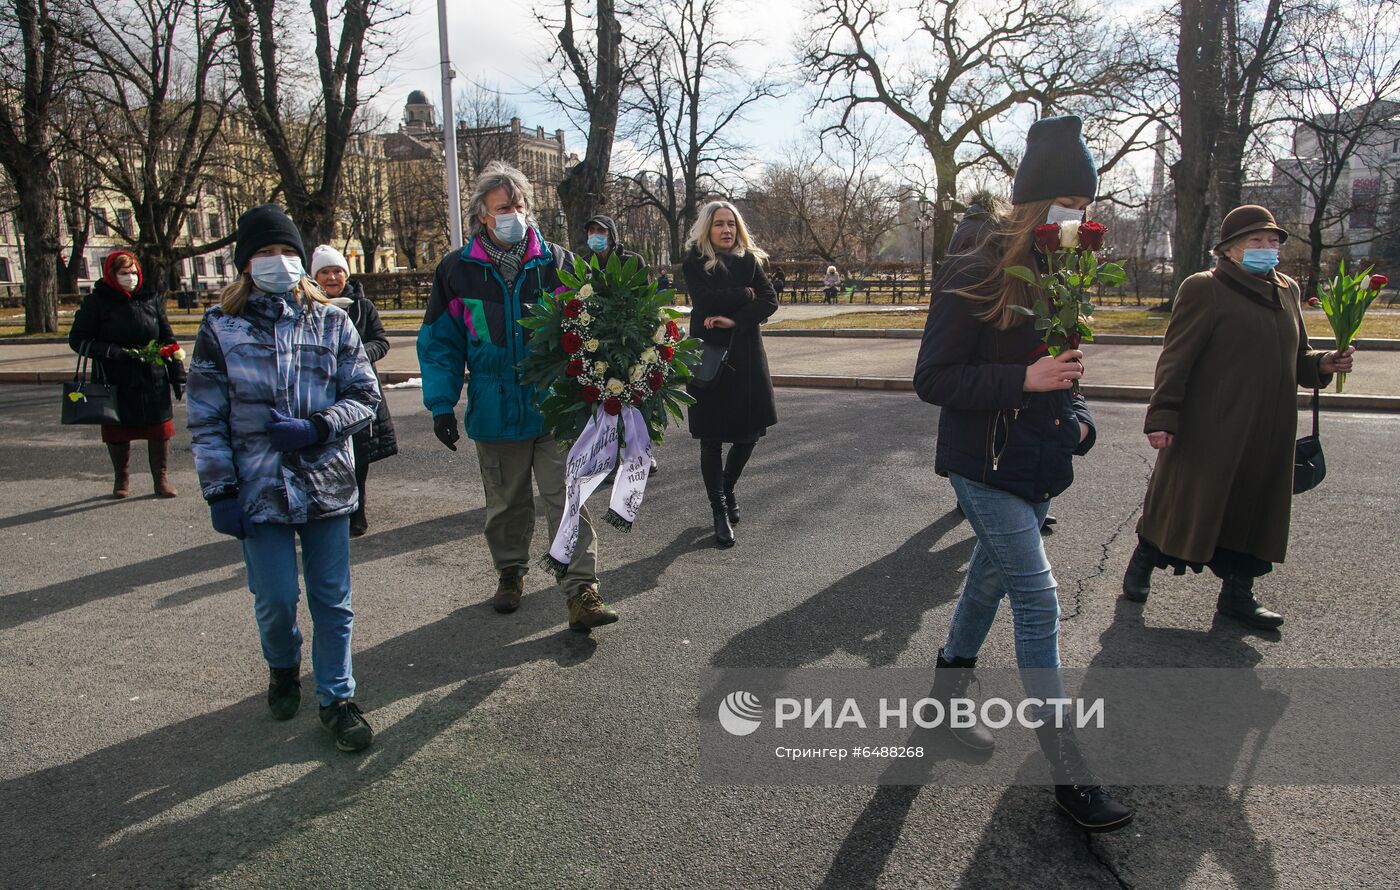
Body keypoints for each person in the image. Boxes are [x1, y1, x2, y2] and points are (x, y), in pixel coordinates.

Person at [913, 115, 1132, 831]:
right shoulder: (974, 266)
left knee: (987, 580)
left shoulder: (1068, 270)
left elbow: (1067, 373)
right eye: (1072, 201)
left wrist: (1081, 416)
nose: (1083, 215)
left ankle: (942, 706)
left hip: (1039, 462)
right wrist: (1022, 380)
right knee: (1037, 599)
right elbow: (935, 378)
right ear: (1038, 202)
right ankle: (1067, 772)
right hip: (982, 464)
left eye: (1089, 204)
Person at [186, 204, 381, 752]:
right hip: (258, 489)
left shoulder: (332, 320)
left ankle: (337, 699)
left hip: (325, 483)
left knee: (332, 598)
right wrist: (219, 490)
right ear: (246, 263)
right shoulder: (219, 328)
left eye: (286, 251)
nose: (278, 261)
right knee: (274, 598)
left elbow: (365, 396)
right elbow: (204, 416)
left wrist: (316, 427)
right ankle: (281, 666)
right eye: (265, 253)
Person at [1122, 205, 1355, 629]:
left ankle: (1237, 596)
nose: (1268, 249)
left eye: (1273, 241)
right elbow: (1176, 359)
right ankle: (1142, 564)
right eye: (1256, 241)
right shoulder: (1204, 288)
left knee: (1255, 511)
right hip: (1212, 428)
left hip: (1269, 430)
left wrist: (1322, 364)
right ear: (1229, 250)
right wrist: (1162, 417)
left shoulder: (1286, 290)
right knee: (1185, 504)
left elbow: (1296, 356)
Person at [418, 162, 619, 632]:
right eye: (504, 208)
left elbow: (594, 328)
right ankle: (510, 571)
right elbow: (440, 344)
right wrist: (442, 404)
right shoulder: (456, 271)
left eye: (520, 206)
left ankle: (581, 590)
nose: (515, 214)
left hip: (556, 407)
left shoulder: (559, 263)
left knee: (569, 497)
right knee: (506, 503)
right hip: (493, 407)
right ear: (483, 216)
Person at [682, 200, 778, 549]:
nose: (726, 230)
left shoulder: (750, 260)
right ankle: (719, 509)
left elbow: (770, 301)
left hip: (746, 356)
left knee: (748, 435)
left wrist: (735, 318)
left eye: (731, 224)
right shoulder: (694, 260)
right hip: (708, 355)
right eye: (719, 224)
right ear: (707, 228)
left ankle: (726, 486)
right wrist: (745, 293)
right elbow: (705, 300)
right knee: (711, 437)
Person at [69, 251, 183, 499]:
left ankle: (161, 479)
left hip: (152, 376)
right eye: (123, 273)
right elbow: (77, 340)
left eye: (133, 272)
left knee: (159, 430)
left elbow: (168, 339)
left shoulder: (150, 299)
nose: (129, 277)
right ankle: (121, 478)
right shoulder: (97, 302)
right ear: (111, 274)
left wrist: (178, 376)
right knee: (118, 432)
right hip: (115, 377)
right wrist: (110, 351)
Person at [311, 245, 398, 538]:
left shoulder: (362, 306)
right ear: (315, 277)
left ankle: (356, 510)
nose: (332, 277)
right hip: (322, 391)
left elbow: (381, 341)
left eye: (337, 271)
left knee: (358, 453)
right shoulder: (309, 307)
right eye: (325, 272)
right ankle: (327, 508)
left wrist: (357, 354)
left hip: (358, 390)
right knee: (324, 451)